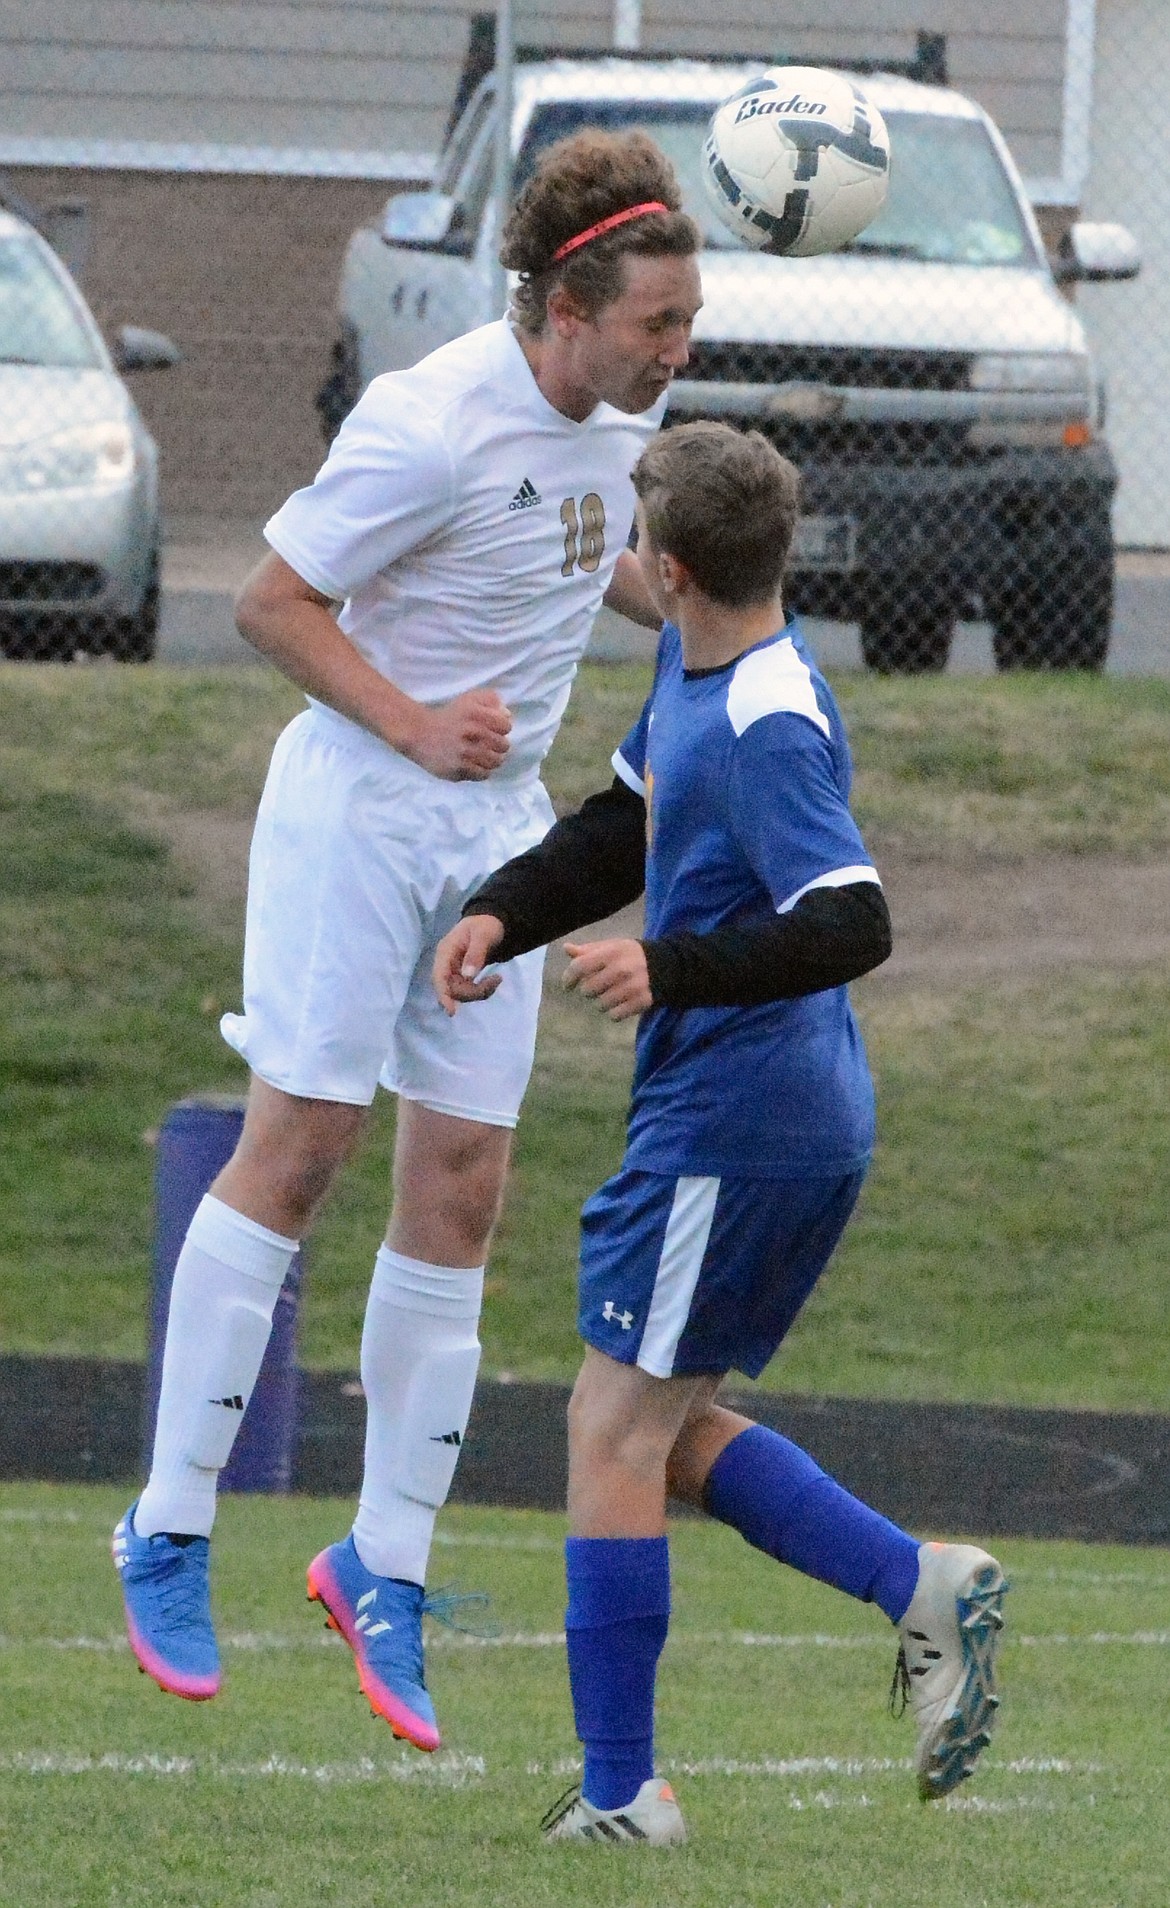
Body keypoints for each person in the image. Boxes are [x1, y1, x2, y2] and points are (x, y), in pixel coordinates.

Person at [111, 130, 704, 1750]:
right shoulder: (432, 417)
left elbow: (608, 569)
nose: (678, 347)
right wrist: (414, 716)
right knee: (298, 1150)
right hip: (366, 807)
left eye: (686, 322)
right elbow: (272, 598)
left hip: (500, 835)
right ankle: (164, 1525)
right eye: (658, 323)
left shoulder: (616, 425)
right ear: (568, 308)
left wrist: (724, 598)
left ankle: (383, 1564)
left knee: (464, 1185)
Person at [433, 421, 1007, 1844]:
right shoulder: (700, 668)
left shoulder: (767, 714)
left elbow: (850, 918)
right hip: (761, 1114)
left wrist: (668, 968)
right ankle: (915, 1584)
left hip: (738, 1119)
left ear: (668, 566)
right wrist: (503, 910)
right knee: (661, 1427)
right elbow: (622, 831)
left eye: (635, 541)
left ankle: (623, 1793)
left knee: (609, 1427)